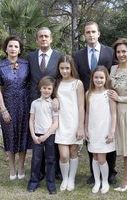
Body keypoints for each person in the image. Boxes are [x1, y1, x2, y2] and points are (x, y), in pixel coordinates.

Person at [74, 21, 117, 185]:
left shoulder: (110, 52)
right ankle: (94, 174)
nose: (91, 35)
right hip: (87, 99)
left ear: (98, 33)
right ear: (84, 35)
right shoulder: (78, 55)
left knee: (107, 136)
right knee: (91, 137)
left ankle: (111, 172)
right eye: (87, 32)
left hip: (107, 99)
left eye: (93, 32)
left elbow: (115, 74)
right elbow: (77, 79)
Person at [28, 27, 62, 180]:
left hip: (53, 102)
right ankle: (39, 172)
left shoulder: (59, 56)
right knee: (38, 137)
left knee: (52, 138)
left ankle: (54, 171)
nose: (43, 38)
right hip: (35, 102)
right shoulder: (30, 57)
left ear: (51, 38)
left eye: (46, 36)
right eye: (40, 36)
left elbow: (61, 79)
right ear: (37, 39)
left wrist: (57, 97)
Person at [0, 36, 30, 180]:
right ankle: (12, 168)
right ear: (6, 48)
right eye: (10, 46)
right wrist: (3, 110)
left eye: (16, 46)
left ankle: (21, 167)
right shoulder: (0, 66)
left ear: (20, 49)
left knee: (22, 136)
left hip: (24, 105)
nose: (13, 49)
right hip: (8, 106)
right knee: (10, 136)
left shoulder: (26, 64)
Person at [54, 55, 85, 191]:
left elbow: (80, 106)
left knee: (73, 152)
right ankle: (65, 178)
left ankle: (71, 179)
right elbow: (52, 97)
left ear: (72, 68)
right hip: (61, 123)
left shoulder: (78, 83)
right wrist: (54, 99)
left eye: (67, 68)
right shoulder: (57, 83)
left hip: (74, 122)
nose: (65, 71)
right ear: (58, 68)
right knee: (64, 155)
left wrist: (80, 127)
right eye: (62, 68)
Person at [85, 66, 117, 194]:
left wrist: (112, 131)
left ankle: (104, 181)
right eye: (96, 77)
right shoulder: (89, 93)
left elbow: (113, 114)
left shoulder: (109, 93)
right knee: (94, 156)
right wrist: (86, 129)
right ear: (92, 78)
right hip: (93, 130)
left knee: (102, 158)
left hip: (104, 129)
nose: (98, 80)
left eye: (101, 77)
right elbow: (87, 113)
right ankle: (97, 181)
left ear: (106, 78)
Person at [27, 76, 59, 194]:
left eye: (49, 89)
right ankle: (33, 182)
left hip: (49, 135)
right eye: (44, 88)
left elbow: (56, 123)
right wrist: (33, 136)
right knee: (36, 159)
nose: (46, 90)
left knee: (51, 159)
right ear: (40, 88)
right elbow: (31, 120)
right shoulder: (35, 103)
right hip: (36, 135)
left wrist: (46, 135)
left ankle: (51, 184)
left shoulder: (53, 104)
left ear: (52, 90)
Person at [108, 38, 127, 192]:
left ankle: (125, 181)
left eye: (124, 51)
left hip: (125, 112)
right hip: (114, 112)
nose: (121, 54)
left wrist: (119, 98)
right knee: (121, 149)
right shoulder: (113, 69)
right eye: (119, 52)